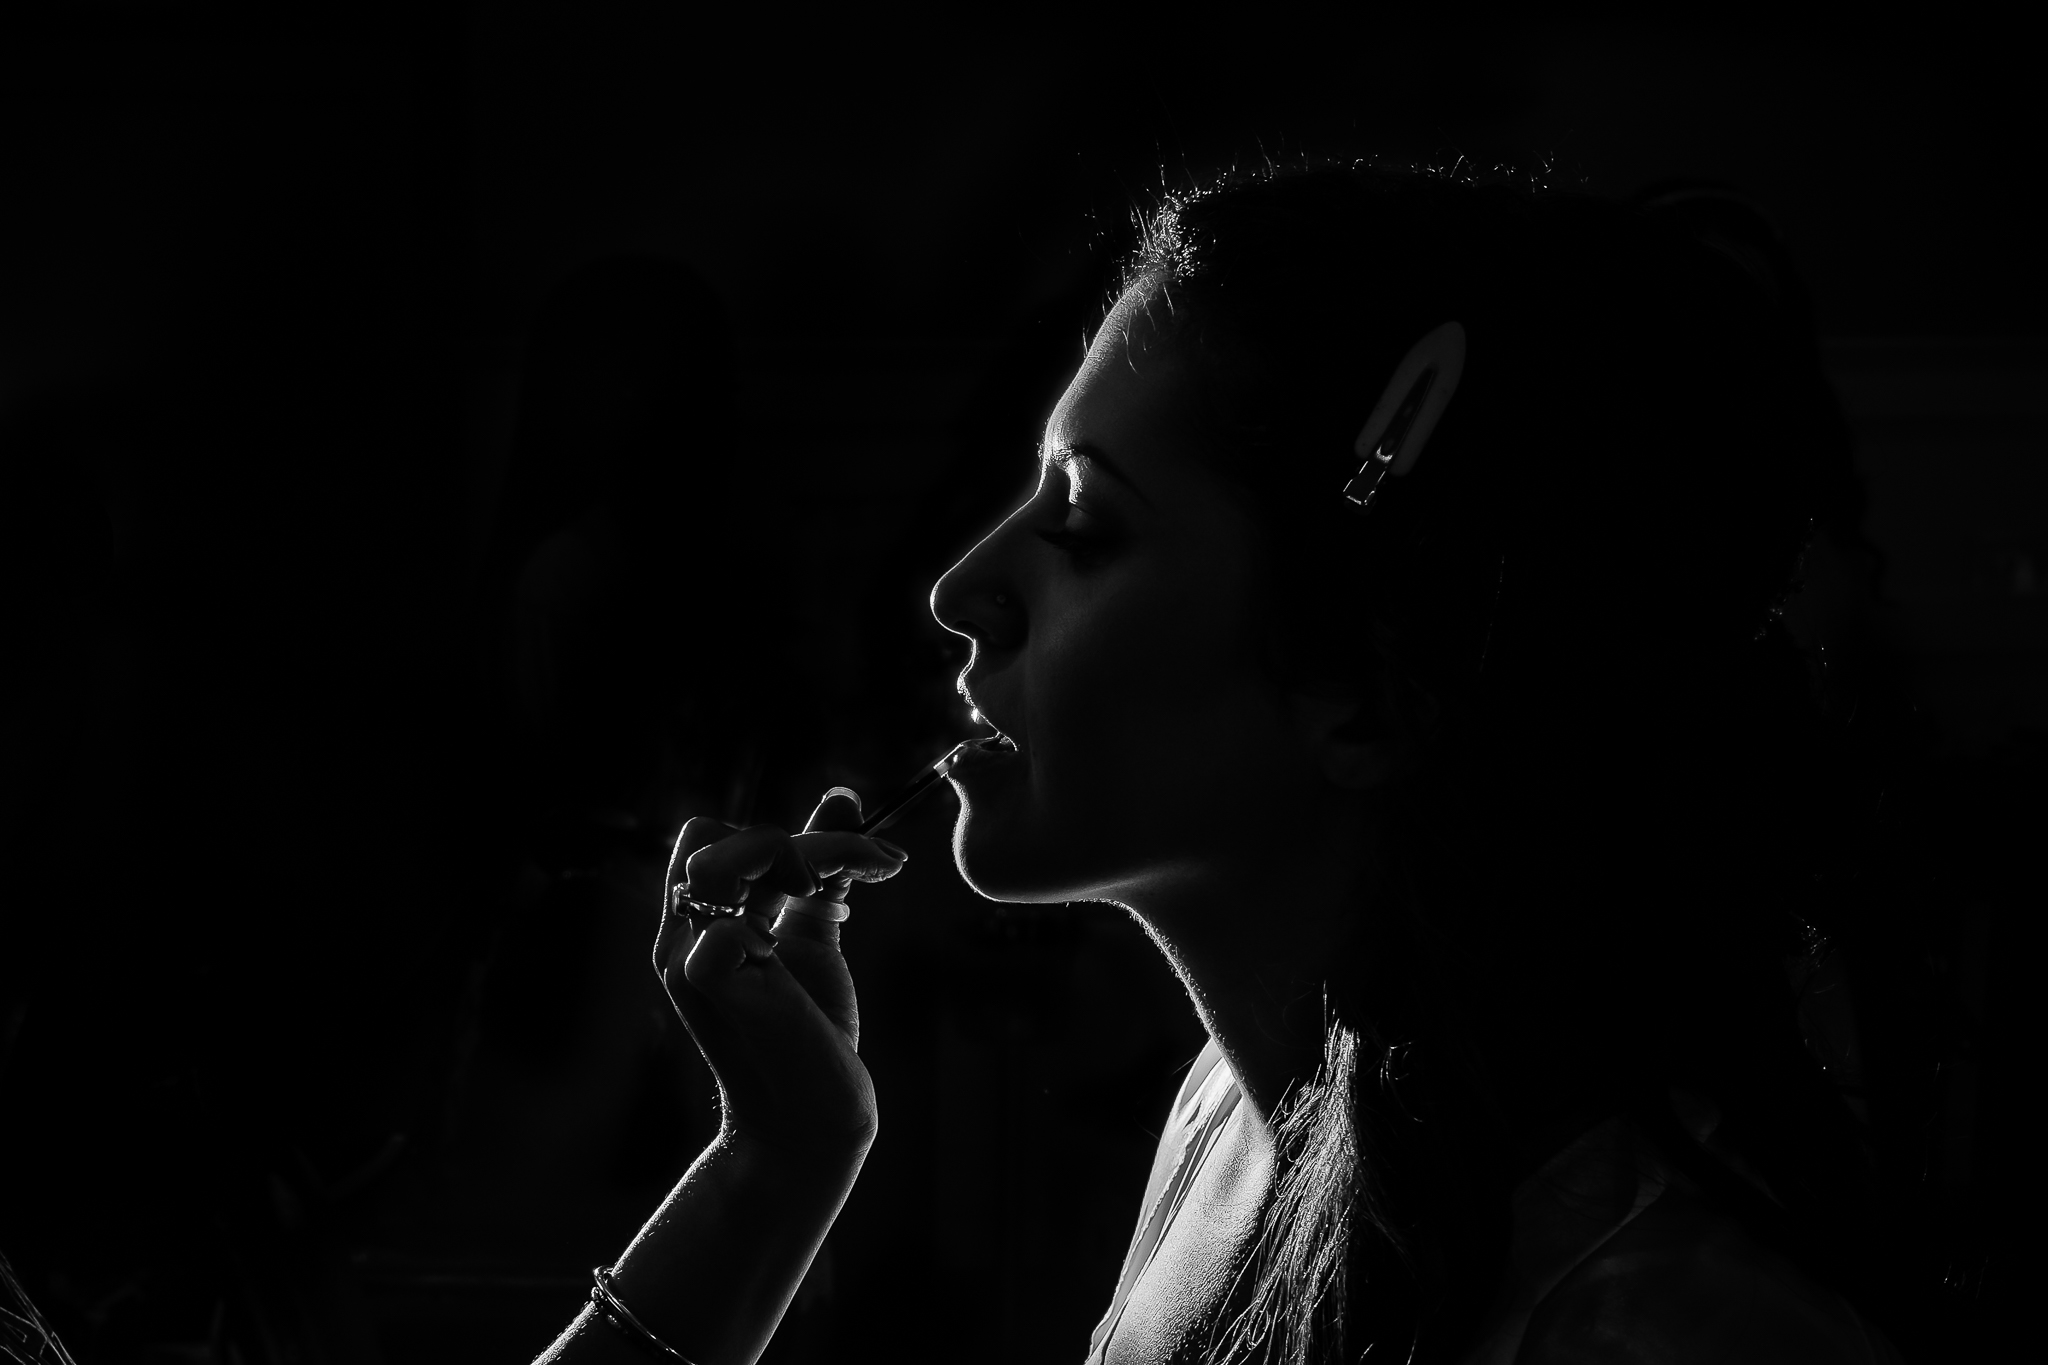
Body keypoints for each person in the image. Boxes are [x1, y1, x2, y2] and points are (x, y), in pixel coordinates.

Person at [537, 166, 1910, 1365]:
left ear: (1367, 692)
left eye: (1080, 530)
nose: (960, 590)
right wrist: (775, 1160)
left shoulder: (1652, 1326)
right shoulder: (1234, 1127)